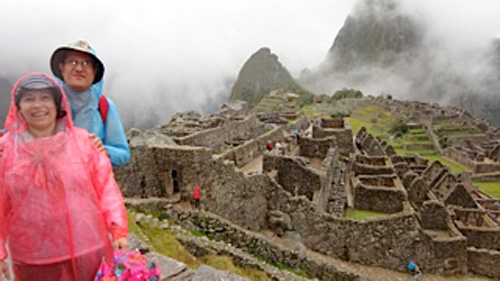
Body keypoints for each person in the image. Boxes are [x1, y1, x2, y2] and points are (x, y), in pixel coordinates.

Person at [0, 73, 128, 281]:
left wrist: (118, 229)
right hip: (33, 259)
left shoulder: (83, 143)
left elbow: (106, 188)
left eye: (45, 98)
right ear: (19, 108)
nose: (37, 105)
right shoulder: (6, 151)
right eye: (29, 99)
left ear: (57, 105)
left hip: (87, 249)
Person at [50, 40, 130, 166]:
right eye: (72, 62)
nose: (79, 68)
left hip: (90, 182)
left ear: (94, 71)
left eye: (86, 63)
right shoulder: (48, 101)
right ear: (61, 67)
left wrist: (104, 151)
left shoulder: (103, 105)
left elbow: (123, 153)